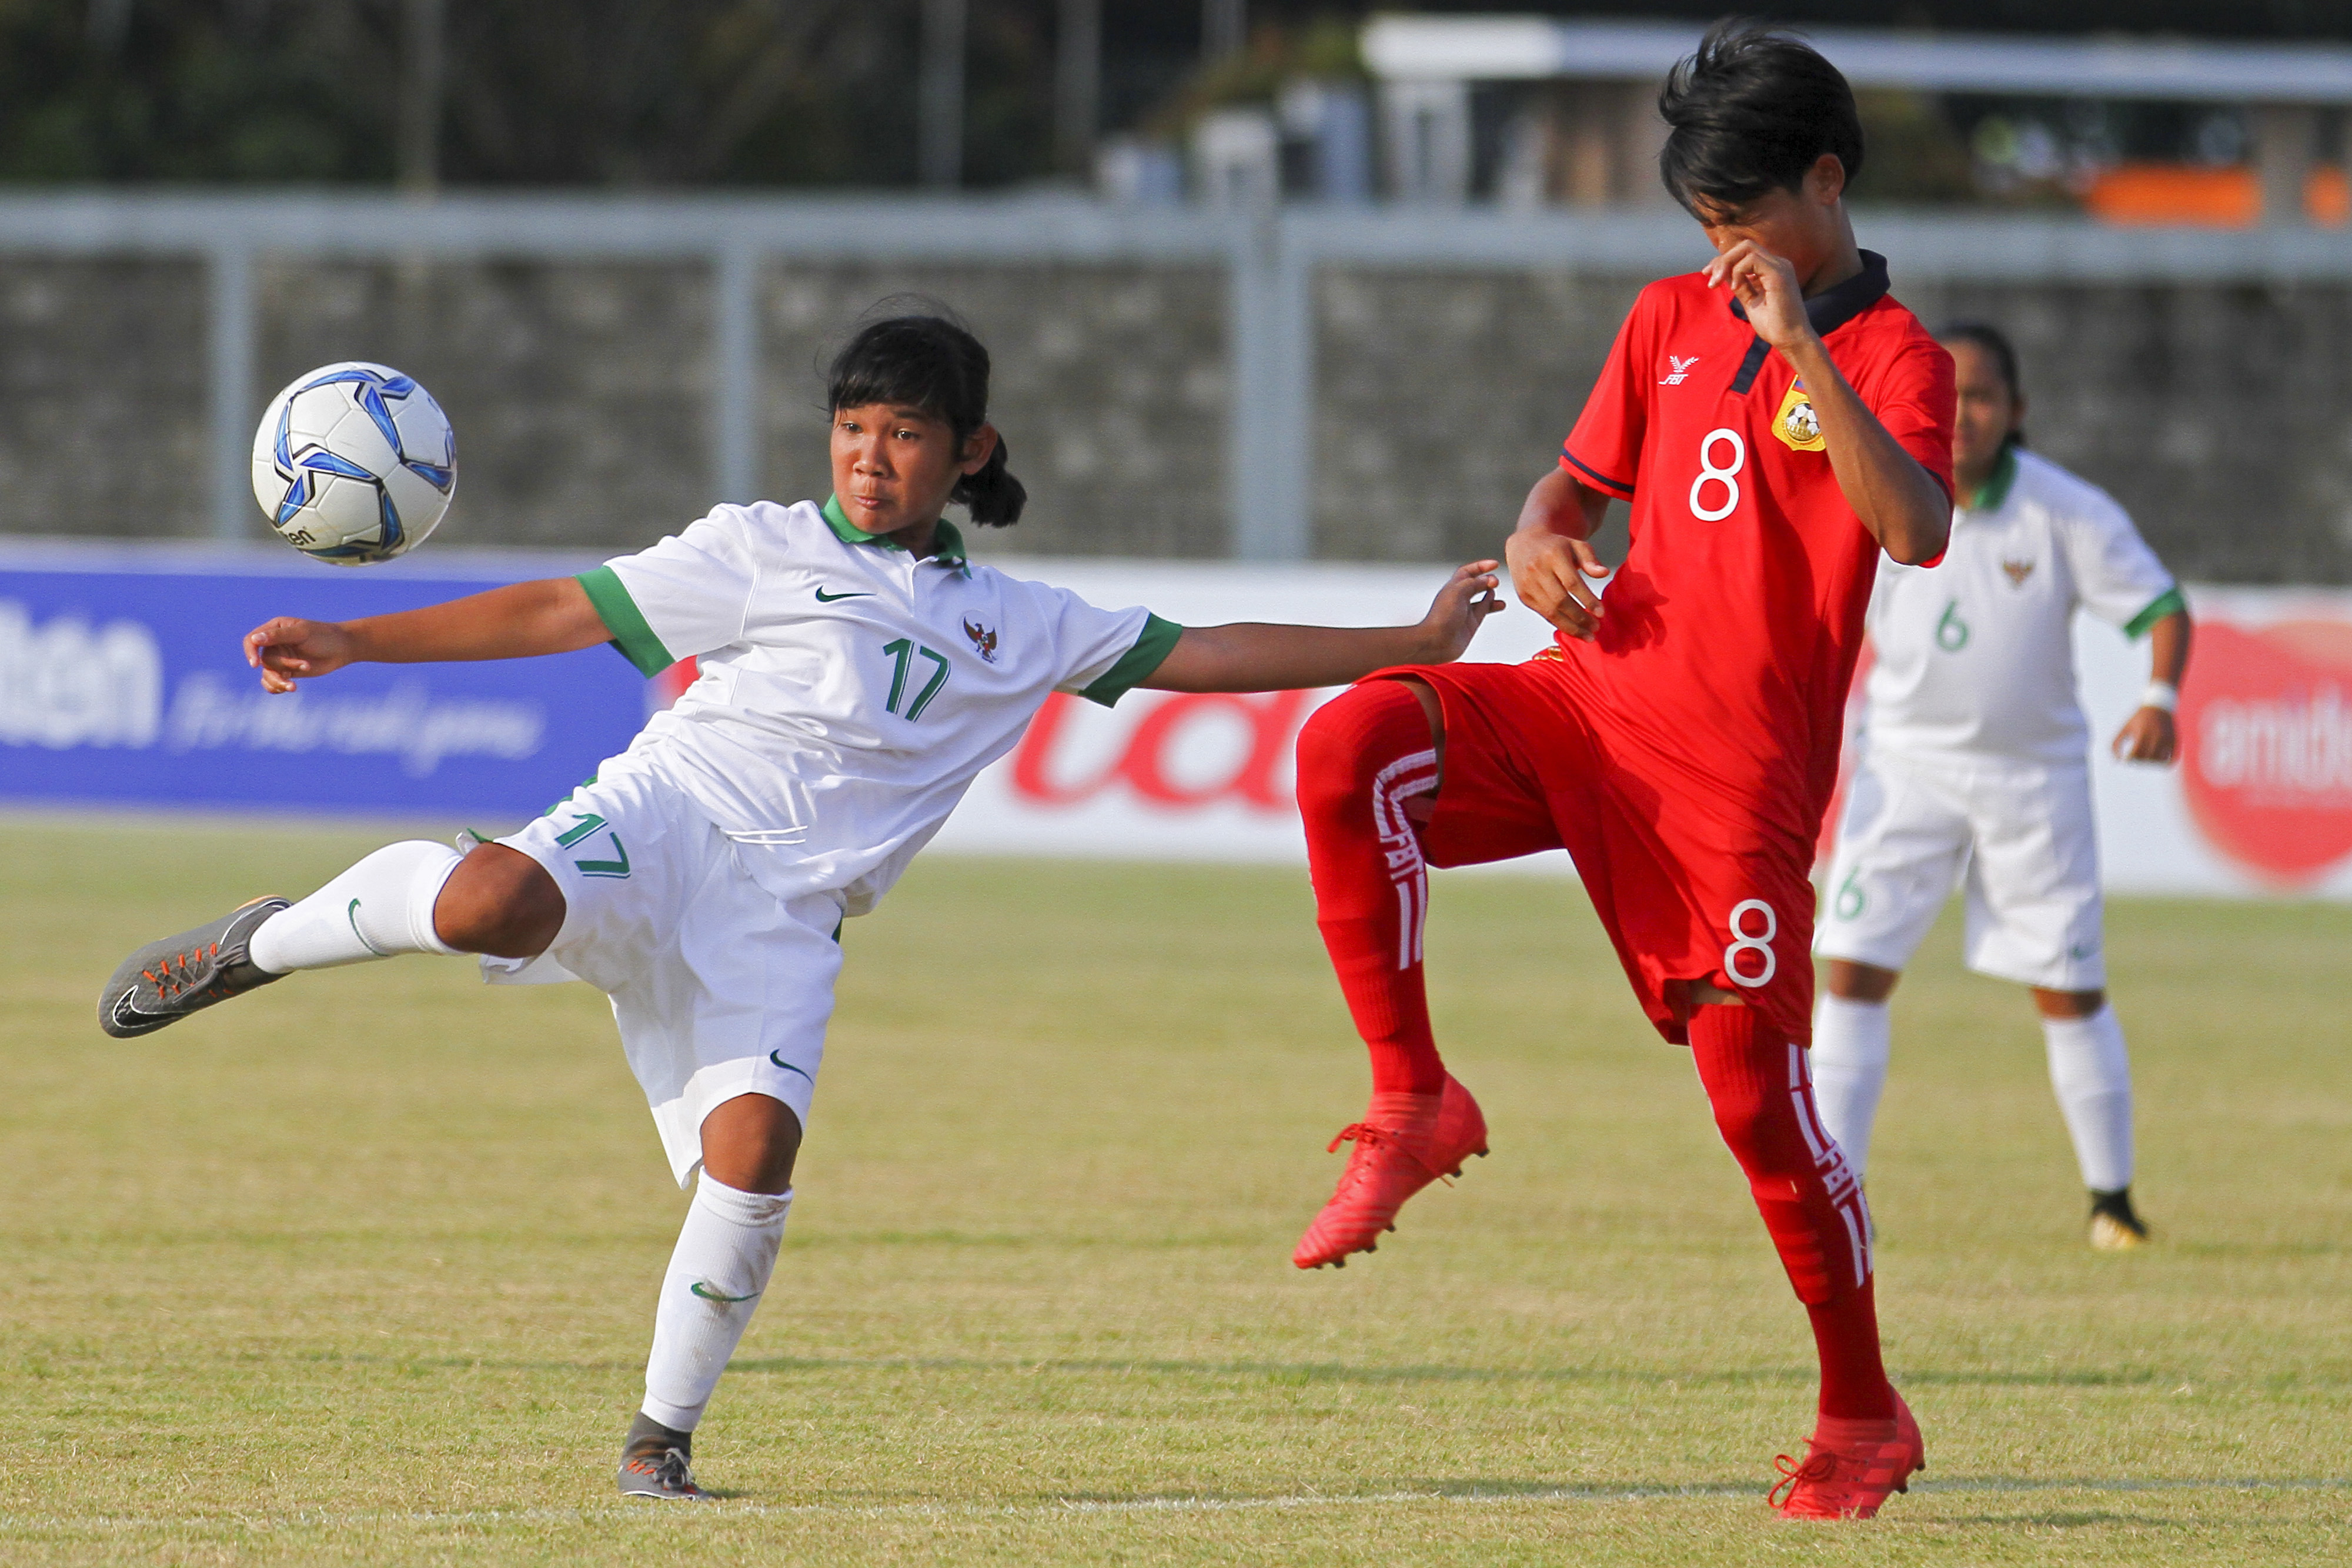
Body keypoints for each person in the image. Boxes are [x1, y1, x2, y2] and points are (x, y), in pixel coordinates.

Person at [98, 307, 1505, 1502]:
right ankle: (260, 941)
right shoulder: (758, 547)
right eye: (850, 427)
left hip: (780, 919)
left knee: (754, 1156)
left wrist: (1413, 639)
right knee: (483, 902)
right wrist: (356, 639)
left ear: (968, 453)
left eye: (900, 432)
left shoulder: (1021, 623)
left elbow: (1204, 647)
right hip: (666, 819)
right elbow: (555, 612)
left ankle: (658, 1442)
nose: (868, 456)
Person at [1285, 25, 1954, 1520]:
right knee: (1348, 743)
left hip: (1737, 786)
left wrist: (1799, 350)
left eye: (1739, 221)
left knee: (1753, 1103)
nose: (1717, 251)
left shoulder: (1899, 359)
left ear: (1825, 181)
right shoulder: (1663, 318)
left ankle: (1861, 1409)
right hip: (1592, 703)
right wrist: (1536, 534)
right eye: (1703, 227)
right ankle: (1411, 1100)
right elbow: (1570, 487)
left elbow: (1911, 528)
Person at [1810, 322, 2190, 1251]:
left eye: (1985, 397)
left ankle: (2113, 1202)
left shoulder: (2066, 511)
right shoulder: (1879, 488)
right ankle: (1832, 1193)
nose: (1967, 413)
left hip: (2032, 780)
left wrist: (2159, 698)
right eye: (1955, 395)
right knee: (1851, 973)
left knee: (2066, 987)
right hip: (1904, 766)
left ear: (2017, 412)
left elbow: (2161, 606)